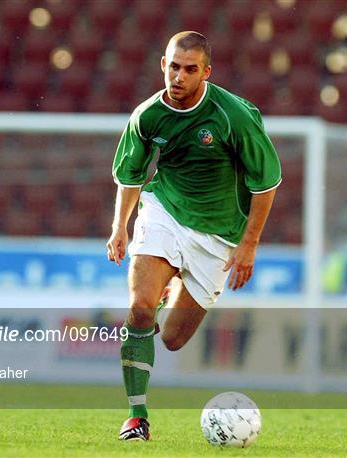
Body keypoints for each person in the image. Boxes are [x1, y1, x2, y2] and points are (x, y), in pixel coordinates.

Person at [106, 31, 281, 441]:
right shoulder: (147, 116)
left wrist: (249, 244)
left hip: (220, 235)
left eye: (189, 69)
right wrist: (119, 227)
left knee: (171, 340)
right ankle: (136, 416)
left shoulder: (232, 115)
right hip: (166, 211)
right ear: (162, 65)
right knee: (140, 308)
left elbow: (266, 183)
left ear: (206, 72)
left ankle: (176, 280)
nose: (178, 76)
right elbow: (130, 176)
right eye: (173, 66)